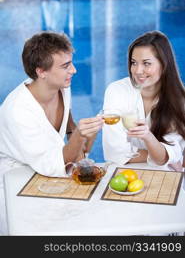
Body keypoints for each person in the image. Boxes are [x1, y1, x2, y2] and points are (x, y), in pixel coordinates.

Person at [0, 31, 103, 235]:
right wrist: (78, 137)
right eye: (65, 66)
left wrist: (80, 134)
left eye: (71, 63)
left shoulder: (61, 87)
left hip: (46, 170)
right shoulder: (18, 110)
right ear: (41, 72)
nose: (73, 70)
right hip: (13, 177)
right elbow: (50, 164)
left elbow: (69, 121)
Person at [102, 30, 185, 171]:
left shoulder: (179, 101)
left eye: (146, 63)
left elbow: (168, 157)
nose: (138, 71)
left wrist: (148, 137)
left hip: (167, 177)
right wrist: (157, 154)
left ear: (164, 64)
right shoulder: (116, 90)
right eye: (134, 63)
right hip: (123, 173)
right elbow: (114, 152)